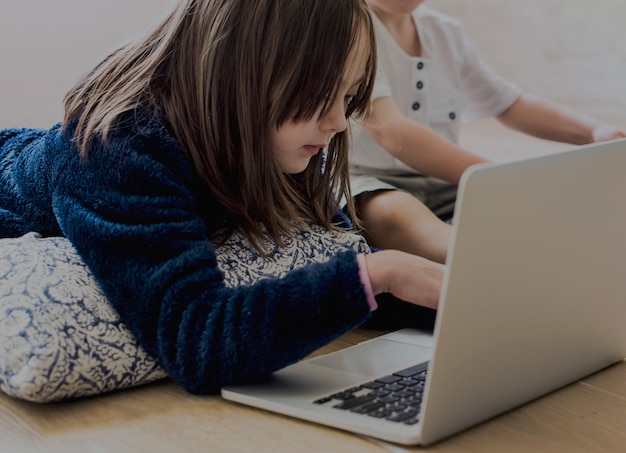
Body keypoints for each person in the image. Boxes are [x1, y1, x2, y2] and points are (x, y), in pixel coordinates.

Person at [0, 0, 447, 395]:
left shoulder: (269, 136)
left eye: (347, 96)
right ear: (238, 71)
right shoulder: (116, 148)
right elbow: (196, 344)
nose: (336, 120)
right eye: (316, 94)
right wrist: (380, 270)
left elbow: (347, 263)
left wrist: (483, 305)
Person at [349, 0, 626, 264]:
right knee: (392, 212)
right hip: (371, 181)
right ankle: (485, 261)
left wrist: (595, 131)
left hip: (443, 182)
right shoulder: (352, 29)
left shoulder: (444, 30)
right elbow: (392, 132)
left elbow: (508, 102)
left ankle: (558, 252)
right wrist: (496, 175)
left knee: (525, 210)